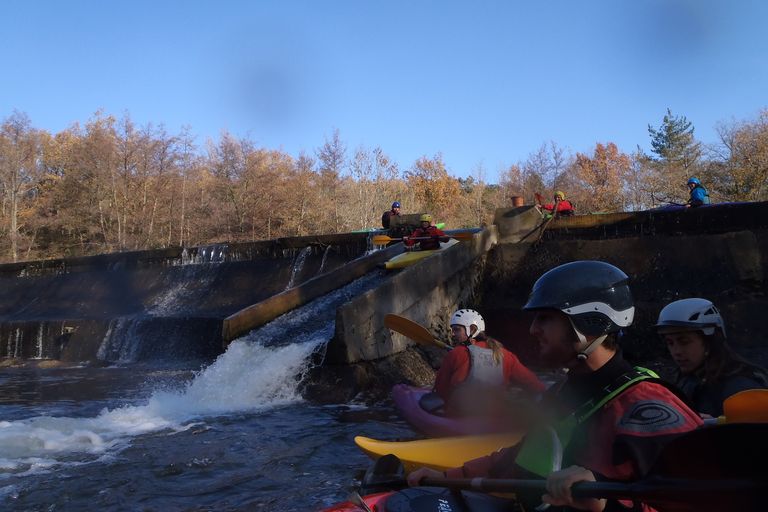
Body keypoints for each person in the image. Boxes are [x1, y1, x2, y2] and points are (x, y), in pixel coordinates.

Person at [407, 261, 702, 512]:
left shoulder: (649, 407)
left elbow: (695, 502)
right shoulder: (561, 393)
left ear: (589, 322)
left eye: (545, 318)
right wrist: (446, 477)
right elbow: (516, 458)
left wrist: (604, 505)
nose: (533, 329)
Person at [656, 298, 768, 418]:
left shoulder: (741, 387)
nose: (676, 351)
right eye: (670, 343)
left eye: (684, 342)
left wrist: (716, 427)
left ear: (710, 341)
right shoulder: (684, 380)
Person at [433, 309, 545, 416]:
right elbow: (535, 385)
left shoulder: (456, 354)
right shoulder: (506, 355)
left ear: (472, 329)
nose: (452, 334)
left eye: (456, 330)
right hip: (495, 418)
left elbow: (440, 388)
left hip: (459, 417)